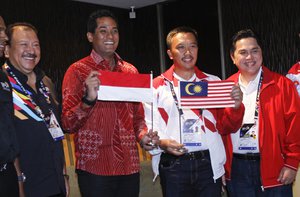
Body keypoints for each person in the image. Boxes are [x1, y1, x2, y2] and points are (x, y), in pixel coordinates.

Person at [61, 9, 158, 197]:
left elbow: (138, 119)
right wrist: (88, 99)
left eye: (114, 31)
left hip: (129, 166)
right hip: (95, 167)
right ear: (90, 36)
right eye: (103, 30)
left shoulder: (130, 71)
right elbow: (67, 123)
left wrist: (144, 137)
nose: (110, 36)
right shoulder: (78, 71)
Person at [144, 26, 245, 197]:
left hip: (208, 162)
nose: (188, 52)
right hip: (173, 164)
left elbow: (227, 126)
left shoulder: (213, 82)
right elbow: (149, 128)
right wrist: (162, 143)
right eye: (181, 47)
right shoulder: (156, 86)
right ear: (170, 53)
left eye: (192, 46)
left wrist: (236, 106)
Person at [222, 29, 300, 197]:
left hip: (274, 167)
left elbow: (294, 127)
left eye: (254, 51)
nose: (250, 57)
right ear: (233, 57)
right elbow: (221, 129)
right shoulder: (225, 88)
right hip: (237, 170)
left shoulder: (282, 85)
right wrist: (220, 167)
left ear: (261, 53)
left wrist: (292, 163)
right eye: (243, 52)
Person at [3, 22, 69, 197]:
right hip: (24, 187)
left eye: (36, 45)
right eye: (23, 44)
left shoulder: (45, 82)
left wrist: (64, 175)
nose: (31, 50)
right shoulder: (4, 85)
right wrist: (18, 182)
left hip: (55, 184)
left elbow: (56, 130)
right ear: (7, 50)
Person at [0, 15, 24, 197]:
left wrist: (18, 179)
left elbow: (9, 133)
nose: (5, 37)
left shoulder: (3, 78)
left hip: (7, 174)